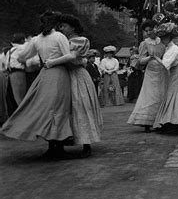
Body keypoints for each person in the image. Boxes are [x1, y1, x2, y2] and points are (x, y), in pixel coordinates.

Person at [1, 11, 73, 159]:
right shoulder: (59, 37)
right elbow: (69, 56)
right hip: (59, 74)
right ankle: (58, 148)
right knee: (58, 109)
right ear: (55, 24)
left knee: (46, 108)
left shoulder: (36, 39)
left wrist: (33, 65)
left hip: (44, 75)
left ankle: (52, 147)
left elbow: (21, 58)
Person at [45, 14, 103, 158]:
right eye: (60, 26)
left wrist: (52, 61)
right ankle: (60, 142)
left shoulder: (80, 40)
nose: (61, 29)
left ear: (73, 27)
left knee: (80, 107)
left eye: (64, 26)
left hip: (77, 76)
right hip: (62, 76)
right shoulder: (61, 40)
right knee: (62, 109)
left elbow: (72, 58)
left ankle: (86, 144)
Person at [128, 20, 167, 132]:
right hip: (151, 72)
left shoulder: (162, 41)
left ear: (156, 28)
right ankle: (147, 123)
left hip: (162, 70)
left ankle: (161, 120)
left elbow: (166, 56)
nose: (149, 32)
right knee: (150, 95)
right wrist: (150, 57)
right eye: (146, 31)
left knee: (162, 94)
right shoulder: (145, 43)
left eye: (151, 30)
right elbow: (140, 61)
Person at [5, 33, 28, 106]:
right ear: (22, 40)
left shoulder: (10, 50)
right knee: (21, 99)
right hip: (18, 73)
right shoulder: (22, 48)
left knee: (16, 98)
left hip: (10, 73)